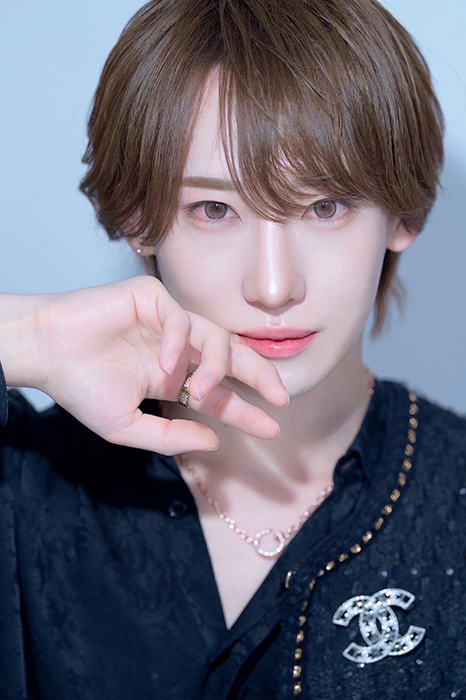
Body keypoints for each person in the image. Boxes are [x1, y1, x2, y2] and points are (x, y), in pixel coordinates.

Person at [0, 0, 465, 698]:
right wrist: (26, 336)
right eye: (214, 209)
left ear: (402, 212)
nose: (273, 287)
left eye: (325, 206)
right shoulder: (24, 484)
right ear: (138, 217)